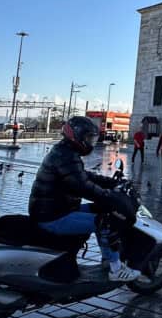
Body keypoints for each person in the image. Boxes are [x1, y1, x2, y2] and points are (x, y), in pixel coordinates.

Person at [28, 116, 140, 282]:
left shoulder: (65, 152)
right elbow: (83, 186)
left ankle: (107, 260)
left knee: (101, 210)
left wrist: (110, 182)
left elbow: (83, 176)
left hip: (58, 208)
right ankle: (115, 268)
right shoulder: (65, 156)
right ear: (77, 136)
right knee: (106, 222)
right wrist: (111, 197)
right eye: (88, 138)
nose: (91, 143)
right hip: (52, 215)